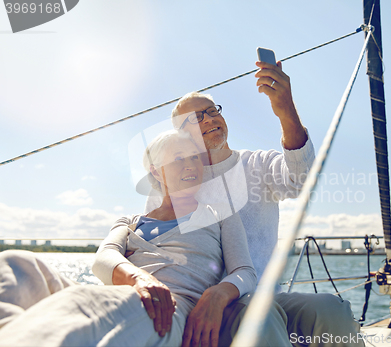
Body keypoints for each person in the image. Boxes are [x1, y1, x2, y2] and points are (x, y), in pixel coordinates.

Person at [143, 61, 364, 346]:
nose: (210, 119)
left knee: (335, 311)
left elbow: (302, 178)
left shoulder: (257, 163)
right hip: (201, 306)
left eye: (212, 111)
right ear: (181, 135)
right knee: (258, 318)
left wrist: (286, 110)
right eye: (197, 117)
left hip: (265, 296)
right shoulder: (170, 185)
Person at [0, 130, 290, 346]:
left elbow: (245, 271)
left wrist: (217, 293)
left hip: (167, 310)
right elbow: (103, 259)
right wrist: (138, 279)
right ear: (156, 171)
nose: (191, 165)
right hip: (127, 291)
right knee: (15, 263)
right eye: (179, 159)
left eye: (194, 158)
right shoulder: (130, 222)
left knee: (87, 305)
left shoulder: (221, 215)